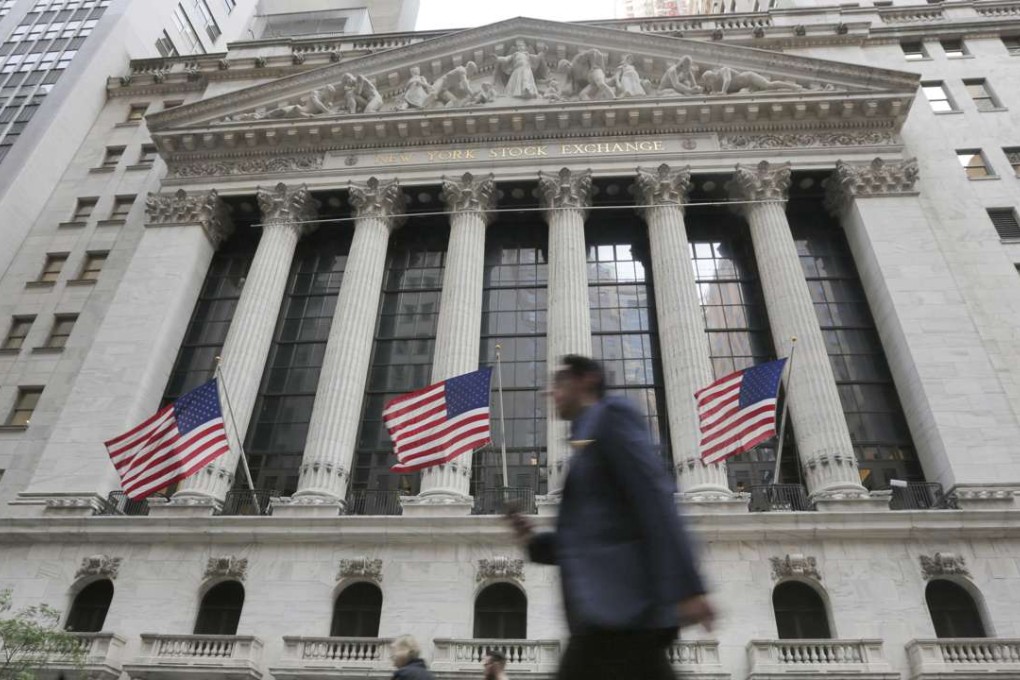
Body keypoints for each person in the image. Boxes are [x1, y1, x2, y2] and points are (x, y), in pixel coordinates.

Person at [507, 355, 715, 680]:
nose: (552, 393)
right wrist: (534, 542)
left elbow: (653, 496)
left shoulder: (613, 417)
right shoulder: (584, 438)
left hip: (624, 610)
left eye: (560, 383)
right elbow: (590, 535)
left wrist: (688, 587)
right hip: (606, 620)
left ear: (587, 380)